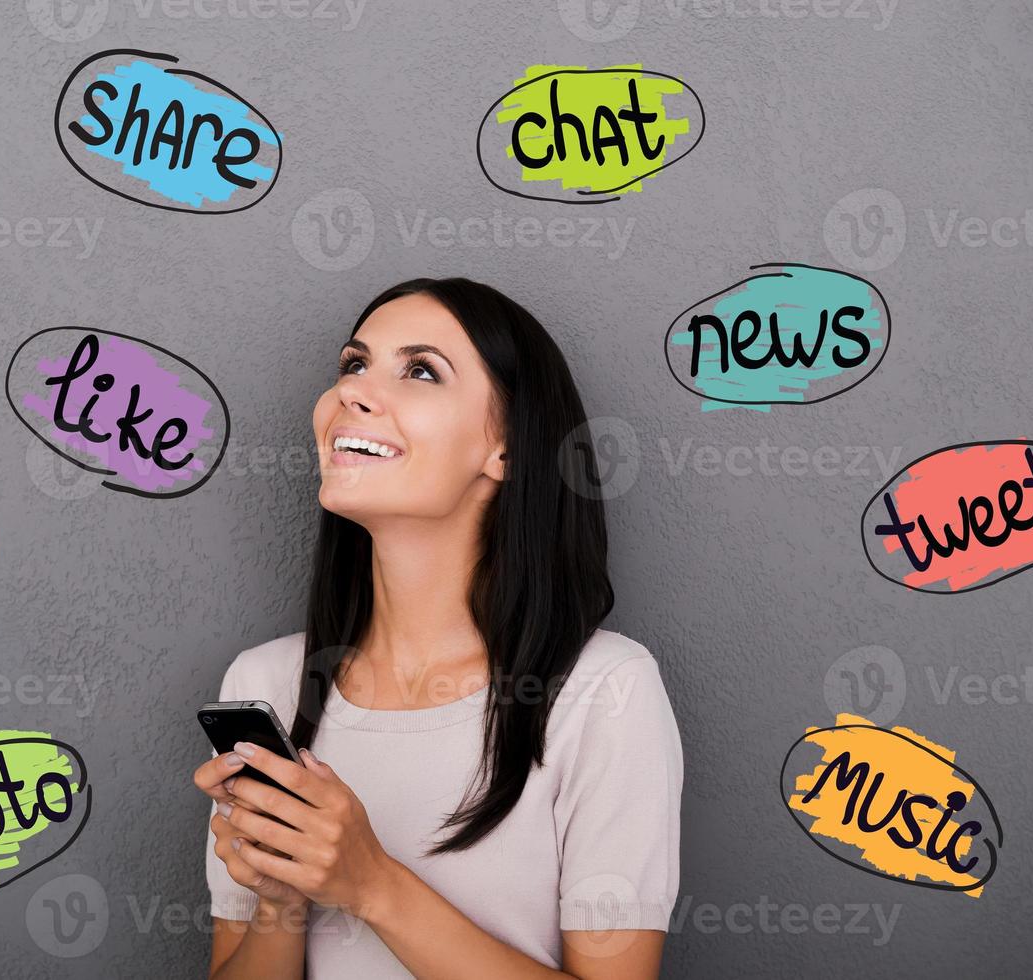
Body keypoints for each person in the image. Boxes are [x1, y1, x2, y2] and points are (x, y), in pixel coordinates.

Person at [193, 277, 682, 978]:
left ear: (506, 449)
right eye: (353, 364)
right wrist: (279, 901)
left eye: (419, 371)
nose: (352, 394)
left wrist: (371, 885)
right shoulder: (264, 683)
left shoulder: (605, 690)